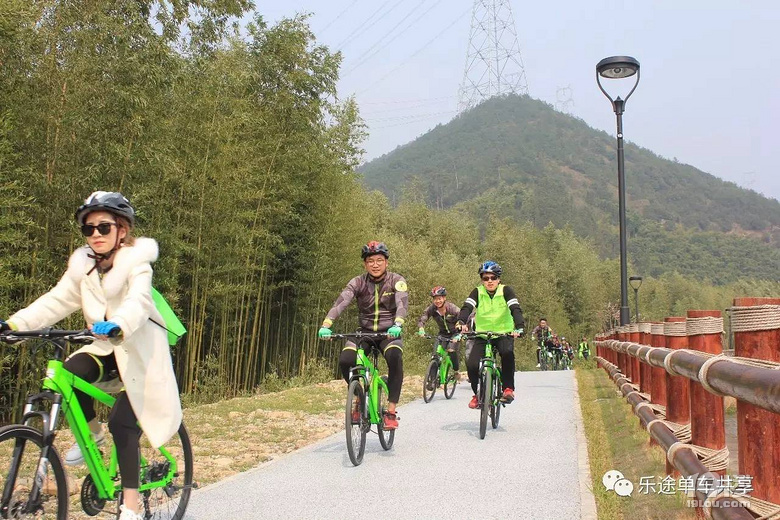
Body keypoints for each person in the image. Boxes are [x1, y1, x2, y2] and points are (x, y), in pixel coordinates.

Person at [0, 191, 182, 520]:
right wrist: (14, 324)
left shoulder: (136, 264)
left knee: (123, 423)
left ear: (122, 230)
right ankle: (93, 434)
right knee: (69, 370)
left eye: (104, 227)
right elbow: (55, 301)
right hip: (107, 350)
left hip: (142, 356)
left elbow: (138, 303)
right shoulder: (83, 267)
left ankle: (128, 505)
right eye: (89, 229)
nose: (95, 234)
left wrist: (118, 325)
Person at [317, 241, 407, 430]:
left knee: (395, 357)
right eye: (370, 261)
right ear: (365, 264)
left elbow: (402, 304)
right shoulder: (357, 282)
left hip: (388, 332)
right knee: (345, 360)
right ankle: (357, 395)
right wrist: (327, 324)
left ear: (386, 262)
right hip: (364, 331)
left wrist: (398, 323)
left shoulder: (396, 280)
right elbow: (341, 301)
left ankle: (390, 412)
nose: (375, 264)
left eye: (379, 260)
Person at [455, 261, 524, 408]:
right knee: (472, 364)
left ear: (499, 279)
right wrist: (461, 321)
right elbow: (467, 307)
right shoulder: (477, 291)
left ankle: (508, 388)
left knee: (507, 353)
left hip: (503, 333)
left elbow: (515, 309)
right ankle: (477, 394)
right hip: (482, 334)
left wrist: (519, 327)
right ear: (482, 280)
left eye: (493, 277)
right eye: (485, 278)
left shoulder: (506, 291)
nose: (489, 281)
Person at [417, 286, 461, 378]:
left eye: (439, 299)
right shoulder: (432, 309)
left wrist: (459, 332)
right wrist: (421, 329)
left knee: (451, 350)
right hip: (442, 334)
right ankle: (432, 380)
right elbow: (423, 318)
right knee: (435, 355)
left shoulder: (452, 308)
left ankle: (456, 370)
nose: (437, 301)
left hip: (455, 333)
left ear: (444, 298)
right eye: (435, 299)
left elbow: (463, 318)